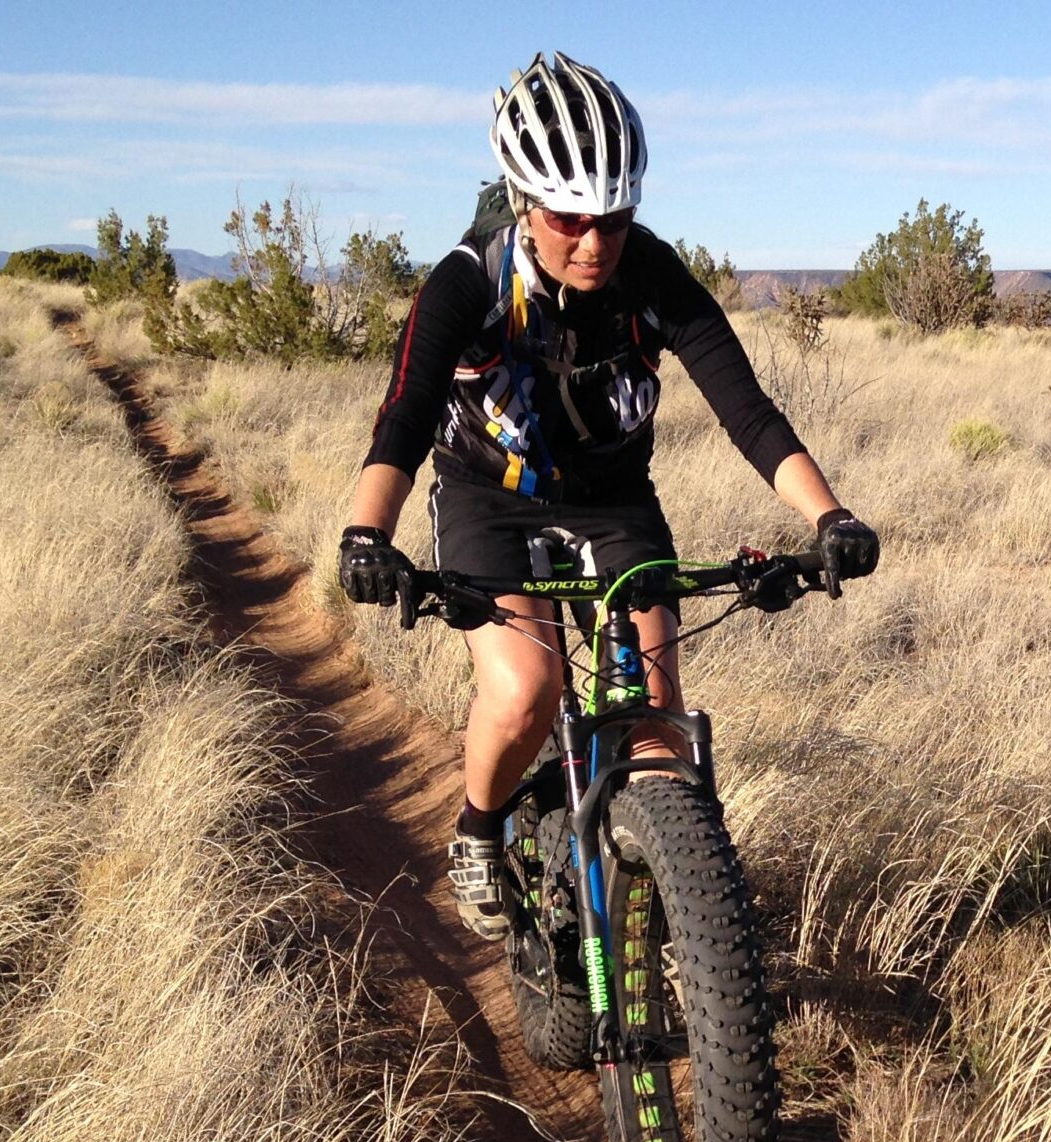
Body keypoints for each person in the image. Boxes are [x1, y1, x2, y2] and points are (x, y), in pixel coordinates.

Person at [335, 51, 878, 939]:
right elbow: (403, 418)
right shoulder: (468, 280)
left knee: (656, 730)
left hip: (613, 502)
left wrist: (830, 516)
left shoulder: (652, 275)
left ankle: (674, 929)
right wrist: (367, 536)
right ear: (523, 200)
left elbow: (747, 411)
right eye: (569, 217)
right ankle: (480, 828)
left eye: (614, 219)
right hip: (488, 495)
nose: (593, 241)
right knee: (526, 689)